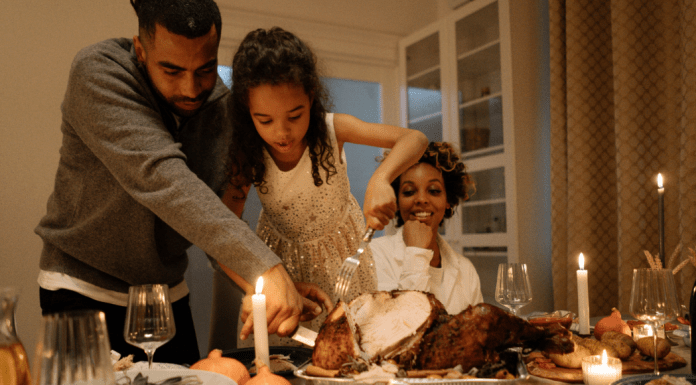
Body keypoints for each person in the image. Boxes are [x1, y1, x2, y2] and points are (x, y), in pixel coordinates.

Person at [34, 1, 327, 365]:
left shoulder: (221, 106)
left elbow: (213, 216)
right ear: (140, 51)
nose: (191, 88)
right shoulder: (99, 72)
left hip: (166, 297)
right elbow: (164, 180)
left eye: (205, 69)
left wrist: (262, 286)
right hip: (81, 290)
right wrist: (265, 265)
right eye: (171, 70)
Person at [224, 27, 429, 345]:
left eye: (295, 115)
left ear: (312, 98)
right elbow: (224, 231)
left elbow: (415, 139)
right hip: (281, 268)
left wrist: (381, 178)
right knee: (284, 360)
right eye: (265, 120)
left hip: (344, 265)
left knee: (350, 354)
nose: (282, 132)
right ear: (247, 113)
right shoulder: (246, 153)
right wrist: (257, 285)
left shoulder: (335, 129)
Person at [370, 142, 483, 314]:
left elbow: (478, 333)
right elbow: (399, 328)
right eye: (409, 191)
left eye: (433, 190)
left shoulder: (466, 270)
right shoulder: (375, 256)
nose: (421, 199)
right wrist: (416, 252)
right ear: (396, 201)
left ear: (448, 201)